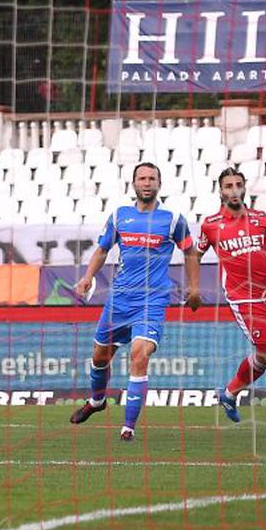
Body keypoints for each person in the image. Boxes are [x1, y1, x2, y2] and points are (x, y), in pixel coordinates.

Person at [69, 162, 201, 440]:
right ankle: (97, 401)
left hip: (152, 301)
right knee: (99, 357)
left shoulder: (173, 218)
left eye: (152, 178)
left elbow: (190, 251)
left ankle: (128, 428)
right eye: (142, 178)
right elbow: (103, 250)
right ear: (134, 184)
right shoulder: (120, 215)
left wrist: (194, 288)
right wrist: (87, 277)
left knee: (139, 355)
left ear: (159, 184)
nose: (147, 182)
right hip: (119, 300)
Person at [198, 167, 266, 422]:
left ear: (244, 187)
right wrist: (194, 289)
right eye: (228, 186)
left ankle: (228, 393)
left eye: (238, 184)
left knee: (263, 357)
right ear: (220, 191)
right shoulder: (211, 225)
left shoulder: (262, 219)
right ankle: (230, 392)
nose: (234, 190)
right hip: (244, 300)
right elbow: (195, 254)